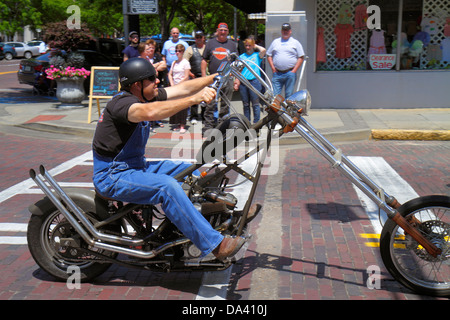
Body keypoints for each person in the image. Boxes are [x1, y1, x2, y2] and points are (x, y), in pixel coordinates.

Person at [92, 58, 245, 260]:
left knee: (192, 171)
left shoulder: (145, 96)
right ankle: (214, 245)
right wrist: (195, 99)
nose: (157, 82)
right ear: (137, 85)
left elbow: (183, 88)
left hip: (135, 167)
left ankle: (224, 217)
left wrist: (215, 78)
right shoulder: (123, 104)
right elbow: (150, 112)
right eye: (151, 79)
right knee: (167, 187)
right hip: (112, 175)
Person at [201, 22, 238, 135]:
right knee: (210, 104)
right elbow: (204, 60)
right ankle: (208, 127)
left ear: (227, 32)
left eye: (225, 30)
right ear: (217, 31)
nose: (222, 32)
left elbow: (236, 63)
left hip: (228, 79)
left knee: (225, 105)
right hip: (213, 79)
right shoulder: (210, 43)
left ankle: (222, 127)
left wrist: (237, 79)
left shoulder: (232, 45)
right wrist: (203, 78)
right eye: (220, 30)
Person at [267, 23, 305, 99]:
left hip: (290, 73)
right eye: (284, 30)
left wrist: (294, 70)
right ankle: (277, 111)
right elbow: (269, 55)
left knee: (289, 96)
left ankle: (286, 111)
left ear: (290, 31)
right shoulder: (275, 42)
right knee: (276, 96)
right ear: (281, 31)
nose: (285, 32)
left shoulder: (295, 42)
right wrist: (273, 68)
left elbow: (301, 57)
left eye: (287, 30)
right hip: (277, 73)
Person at [234, 38, 266, 124]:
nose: (248, 47)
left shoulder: (257, 55)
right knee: (246, 104)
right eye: (246, 45)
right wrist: (237, 81)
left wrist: (255, 45)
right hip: (244, 82)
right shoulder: (241, 57)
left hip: (255, 81)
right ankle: (247, 123)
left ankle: (256, 123)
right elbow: (238, 70)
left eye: (250, 45)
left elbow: (263, 50)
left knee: (255, 104)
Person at [184, 30, 206, 124]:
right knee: (194, 98)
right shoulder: (190, 49)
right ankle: (194, 116)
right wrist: (189, 73)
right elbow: (184, 63)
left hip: (206, 77)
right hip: (194, 76)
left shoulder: (208, 48)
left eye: (200, 37)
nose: (199, 39)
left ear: (203, 38)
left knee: (206, 97)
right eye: (197, 37)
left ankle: (205, 116)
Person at [168, 44, 191, 133]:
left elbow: (186, 76)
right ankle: (176, 123)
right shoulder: (174, 62)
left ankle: (182, 125)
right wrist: (172, 83)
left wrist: (179, 84)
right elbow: (170, 74)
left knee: (183, 106)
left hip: (182, 87)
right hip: (174, 86)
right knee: (175, 105)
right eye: (176, 51)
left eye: (179, 51)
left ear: (183, 52)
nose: (177, 53)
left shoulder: (185, 63)